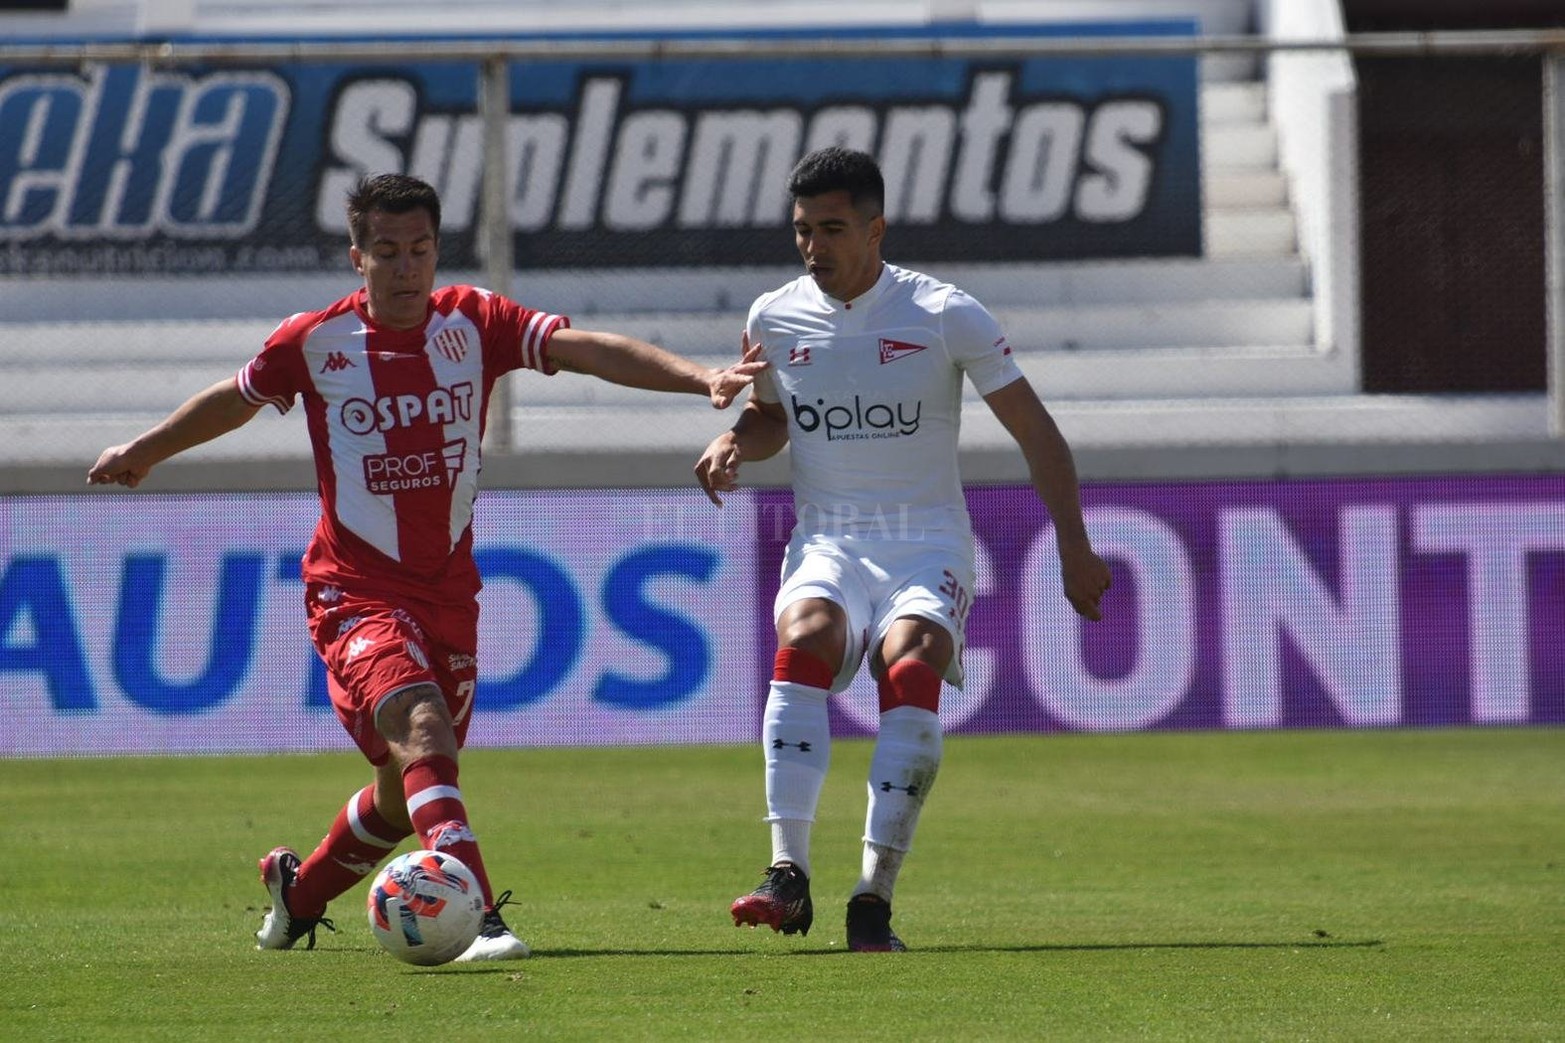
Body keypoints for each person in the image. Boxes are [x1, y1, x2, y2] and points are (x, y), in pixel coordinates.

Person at [89, 172, 765, 962]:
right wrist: (145, 450)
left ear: (436, 249)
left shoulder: (476, 322)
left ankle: (296, 894)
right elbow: (234, 398)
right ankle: (480, 919)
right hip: (352, 588)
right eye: (386, 251)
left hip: (448, 593)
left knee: (399, 788)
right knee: (420, 726)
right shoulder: (315, 342)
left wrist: (700, 378)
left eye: (420, 249)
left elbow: (585, 349)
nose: (406, 267)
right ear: (357, 256)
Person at [694, 146, 1111, 952]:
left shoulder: (944, 313)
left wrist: (1073, 546)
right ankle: (786, 871)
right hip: (828, 540)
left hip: (926, 541)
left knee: (911, 665)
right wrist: (733, 440)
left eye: (833, 228)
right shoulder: (773, 316)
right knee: (806, 636)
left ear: (876, 228)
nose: (814, 247)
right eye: (801, 230)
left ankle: (871, 896)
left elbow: (1038, 434)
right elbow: (773, 415)